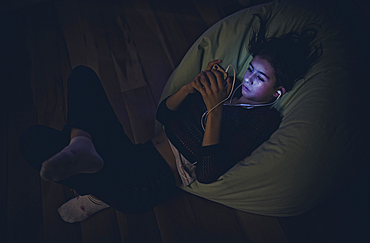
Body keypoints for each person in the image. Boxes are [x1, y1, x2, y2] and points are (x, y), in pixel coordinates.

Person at [18, 16, 321, 223]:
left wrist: (214, 108)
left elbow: (208, 171)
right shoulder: (226, 87)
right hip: (136, 153)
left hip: (148, 182)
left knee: (33, 141)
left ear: (278, 91)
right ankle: (82, 144)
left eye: (260, 77)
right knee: (82, 75)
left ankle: (98, 189)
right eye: (251, 69)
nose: (249, 79)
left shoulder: (263, 119)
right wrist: (193, 87)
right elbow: (164, 114)